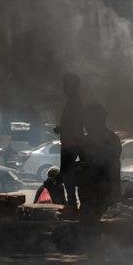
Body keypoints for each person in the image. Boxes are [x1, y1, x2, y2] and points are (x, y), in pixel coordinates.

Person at [78, 103, 122, 231]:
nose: (85, 124)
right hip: (100, 194)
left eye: (87, 120)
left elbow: (96, 165)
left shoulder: (90, 141)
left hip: (98, 195)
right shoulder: (113, 139)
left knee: (91, 228)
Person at [56, 73, 84, 211]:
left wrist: (63, 130)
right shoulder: (73, 102)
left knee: (68, 174)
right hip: (69, 142)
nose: (63, 87)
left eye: (65, 84)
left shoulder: (74, 103)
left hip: (70, 144)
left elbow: (74, 125)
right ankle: (71, 203)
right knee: (67, 174)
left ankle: (72, 204)